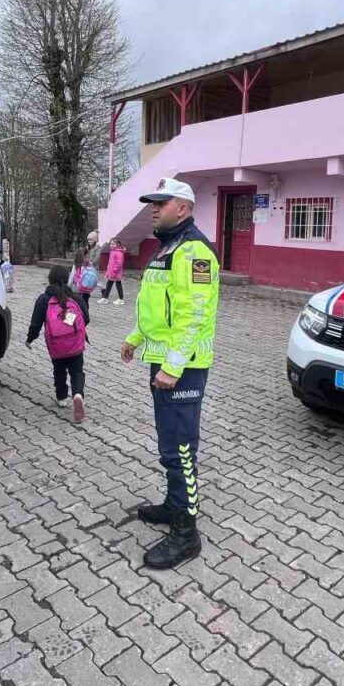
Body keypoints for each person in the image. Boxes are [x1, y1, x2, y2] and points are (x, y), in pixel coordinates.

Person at [122, 177, 220, 570]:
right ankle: (172, 504)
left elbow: (196, 316)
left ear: (183, 207)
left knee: (181, 450)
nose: (153, 208)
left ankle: (186, 533)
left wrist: (173, 366)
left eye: (160, 203)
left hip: (183, 369)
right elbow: (155, 308)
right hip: (162, 364)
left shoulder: (194, 251)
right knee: (169, 448)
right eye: (152, 203)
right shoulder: (168, 248)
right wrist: (134, 338)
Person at [26, 265, 89, 422]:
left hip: (55, 344)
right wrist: (72, 326)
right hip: (75, 343)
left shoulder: (44, 299)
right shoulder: (75, 297)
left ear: (50, 279)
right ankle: (78, 394)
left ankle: (61, 397)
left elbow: (36, 323)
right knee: (77, 370)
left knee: (59, 370)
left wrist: (30, 339)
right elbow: (86, 318)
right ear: (67, 279)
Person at [68, 249, 97, 318]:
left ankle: (70, 319)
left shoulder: (76, 265)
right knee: (85, 302)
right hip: (86, 288)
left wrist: (68, 288)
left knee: (74, 304)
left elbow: (71, 278)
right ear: (86, 255)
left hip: (76, 289)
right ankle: (85, 316)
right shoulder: (90, 264)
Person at [100, 238, 126, 305]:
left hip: (116, 272)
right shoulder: (113, 251)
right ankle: (105, 298)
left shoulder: (119, 253)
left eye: (113, 244)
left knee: (118, 285)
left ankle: (121, 299)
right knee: (109, 284)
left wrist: (115, 270)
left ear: (118, 244)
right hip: (111, 272)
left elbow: (119, 263)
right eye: (111, 244)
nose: (111, 245)